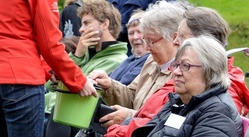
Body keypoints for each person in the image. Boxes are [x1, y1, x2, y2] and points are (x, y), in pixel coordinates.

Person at [106, 6, 249, 137]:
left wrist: (125, 120)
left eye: (180, 36)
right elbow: (154, 128)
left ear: (204, 44)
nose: (174, 41)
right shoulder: (180, 98)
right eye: (177, 66)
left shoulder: (218, 109)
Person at [0, 0, 98, 136]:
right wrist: (79, 81)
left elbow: (8, 30)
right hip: (20, 80)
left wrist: (47, 70)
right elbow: (50, 45)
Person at [88, 0, 184, 128]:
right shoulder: (151, 61)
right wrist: (109, 85)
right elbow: (132, 97)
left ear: (174, 37)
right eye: (146, 40)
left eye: (152, 41)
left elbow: (168, 120)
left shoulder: (184, 72)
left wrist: (128, 116)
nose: (147, 47)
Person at [131, 35, 242, 137]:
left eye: (185, 66)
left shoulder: (217, 113)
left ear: (210, 70)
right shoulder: (178, 102)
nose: (176, 72)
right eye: (177, 65)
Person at [45, 0, 128, 136]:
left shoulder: (116, 60)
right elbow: (49, 86)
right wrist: (77, 55)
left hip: (74, 120)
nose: (81, 29)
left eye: (87, 23)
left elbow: (75, 96)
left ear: (105, 24)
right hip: (56, 116)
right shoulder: (85, 55)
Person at [108, 9, 150, 85]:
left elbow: (124, 85)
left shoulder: (150, 61)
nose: (135, 37)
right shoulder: (128, 60)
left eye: (139, 32)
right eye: (131, 33)